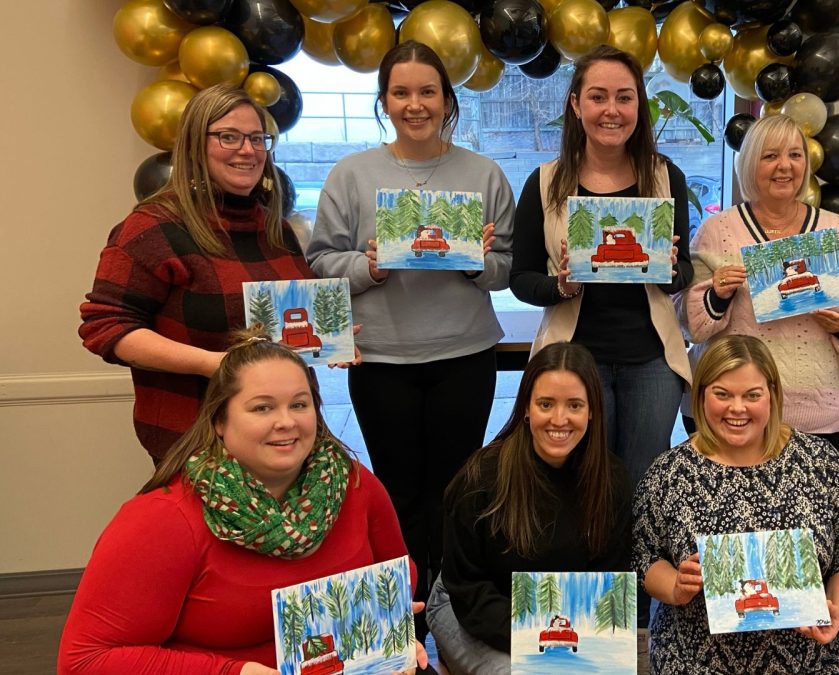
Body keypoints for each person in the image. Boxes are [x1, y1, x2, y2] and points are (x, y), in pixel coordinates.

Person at [306, 40, 515, 640]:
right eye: (402, 92)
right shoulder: (352, 174)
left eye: (428, 92)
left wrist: (477, 263)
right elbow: (320, 260)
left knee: (456, 488)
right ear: (385, 101)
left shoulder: (482, 172)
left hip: (466, 354)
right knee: (397, 490)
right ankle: (400, 620)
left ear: (448, 100)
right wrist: (368, 266)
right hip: (381, 359)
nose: (415, 104)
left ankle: (452, 610)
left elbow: (507, 265)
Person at [58, 333, 426, 674]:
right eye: (262, 408)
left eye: (299, 404)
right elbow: (86, 660)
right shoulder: (163, 520)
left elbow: (399, 569)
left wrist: (384, 620)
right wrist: (235, 672)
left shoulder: (354, 483)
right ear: (220, 419)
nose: (286, 422)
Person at [80, 84, 314, 462]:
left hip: (282, 440)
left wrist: (324, 337)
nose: (248, 150)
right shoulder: (153, 227)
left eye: (257, 138)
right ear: (194, 145)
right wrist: (213, 364)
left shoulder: (275, 229)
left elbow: (282, 324)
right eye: (228, 137)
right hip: (195, 440)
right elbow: (106, 327)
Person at [633, 335, 839, 673]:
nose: (737, 408)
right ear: (701, 395)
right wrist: (674, 586)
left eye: (752, 395)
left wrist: (836, 609)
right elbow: (645, 557)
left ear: (772, 396)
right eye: (722, 394)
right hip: (697, 661)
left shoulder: (821, 463)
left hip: (815, 659)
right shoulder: (668, 473)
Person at [509, 44, 694, 487]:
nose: (611, 110)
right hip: (573, 359)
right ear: (575, 104)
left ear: (639, 105)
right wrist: (562, 286)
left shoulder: (667, 176)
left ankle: (640, 560)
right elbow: (520, 278)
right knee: (581, 482)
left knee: (643, 483)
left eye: (624, 97)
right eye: (597, 96)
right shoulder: (545, 181)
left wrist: (669, 269)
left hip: (651, 359)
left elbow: (684, 271)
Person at [680, 114, 839, 452]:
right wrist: (716, 296)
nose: (784, 166)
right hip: (729, 413)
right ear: (748, 164)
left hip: (819, 416)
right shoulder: (717, 230)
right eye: (770, 156)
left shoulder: (837, 231)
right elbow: (689, 326)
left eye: (795, 155)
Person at [427, 342, 631, 673]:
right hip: (467, 602)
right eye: (546, 404)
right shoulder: (481, 478)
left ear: (592, 410)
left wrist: (579, 648)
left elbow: (611, 579)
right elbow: (468, 587)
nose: (559, 419)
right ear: (526, 408)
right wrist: (542, 648)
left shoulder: (613, 481)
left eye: (574, 405)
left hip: (559, 617)